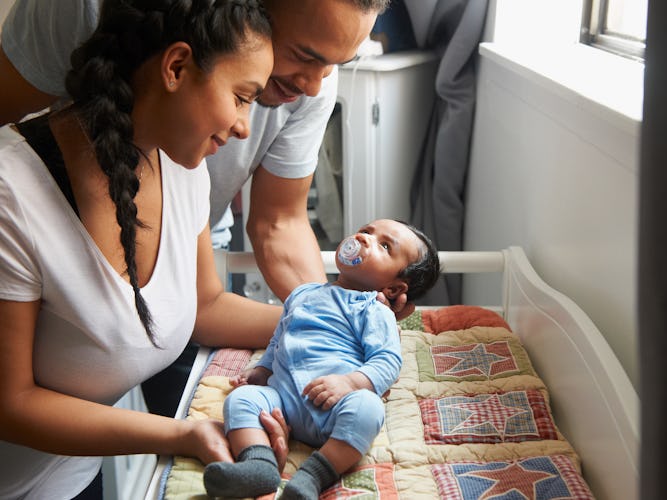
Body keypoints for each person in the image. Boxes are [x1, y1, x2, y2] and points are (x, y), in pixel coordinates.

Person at [0, 0, 410, 419]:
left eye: (335, 65)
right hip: (53, 239)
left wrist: (331, 317)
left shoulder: (186, 175)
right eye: (305, 56)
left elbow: (277, 223)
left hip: (184, 258)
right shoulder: (84, 13)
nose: (315, 86)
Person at [0, 1, 293, 498]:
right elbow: (12, 404)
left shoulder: (183, 164)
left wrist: (321, 315)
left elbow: (206, 306)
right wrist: (183, 433)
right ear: (176, 67)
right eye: (242, 97)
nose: (245, 125)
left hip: (74, 473)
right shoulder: (13, 193)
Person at [203, 219, 441, 499]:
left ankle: (312, 476)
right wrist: (264, 368)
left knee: (368, 408)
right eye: (366, 231)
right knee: (241, 400)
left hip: (335, 404)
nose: (364, 238)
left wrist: (351, 384)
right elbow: (281, 335)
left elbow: (387, 360)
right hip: (283, 401)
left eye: (384, 246)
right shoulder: (304, 293)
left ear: (393, 290)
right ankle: (259, 466)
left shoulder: (373, 310)